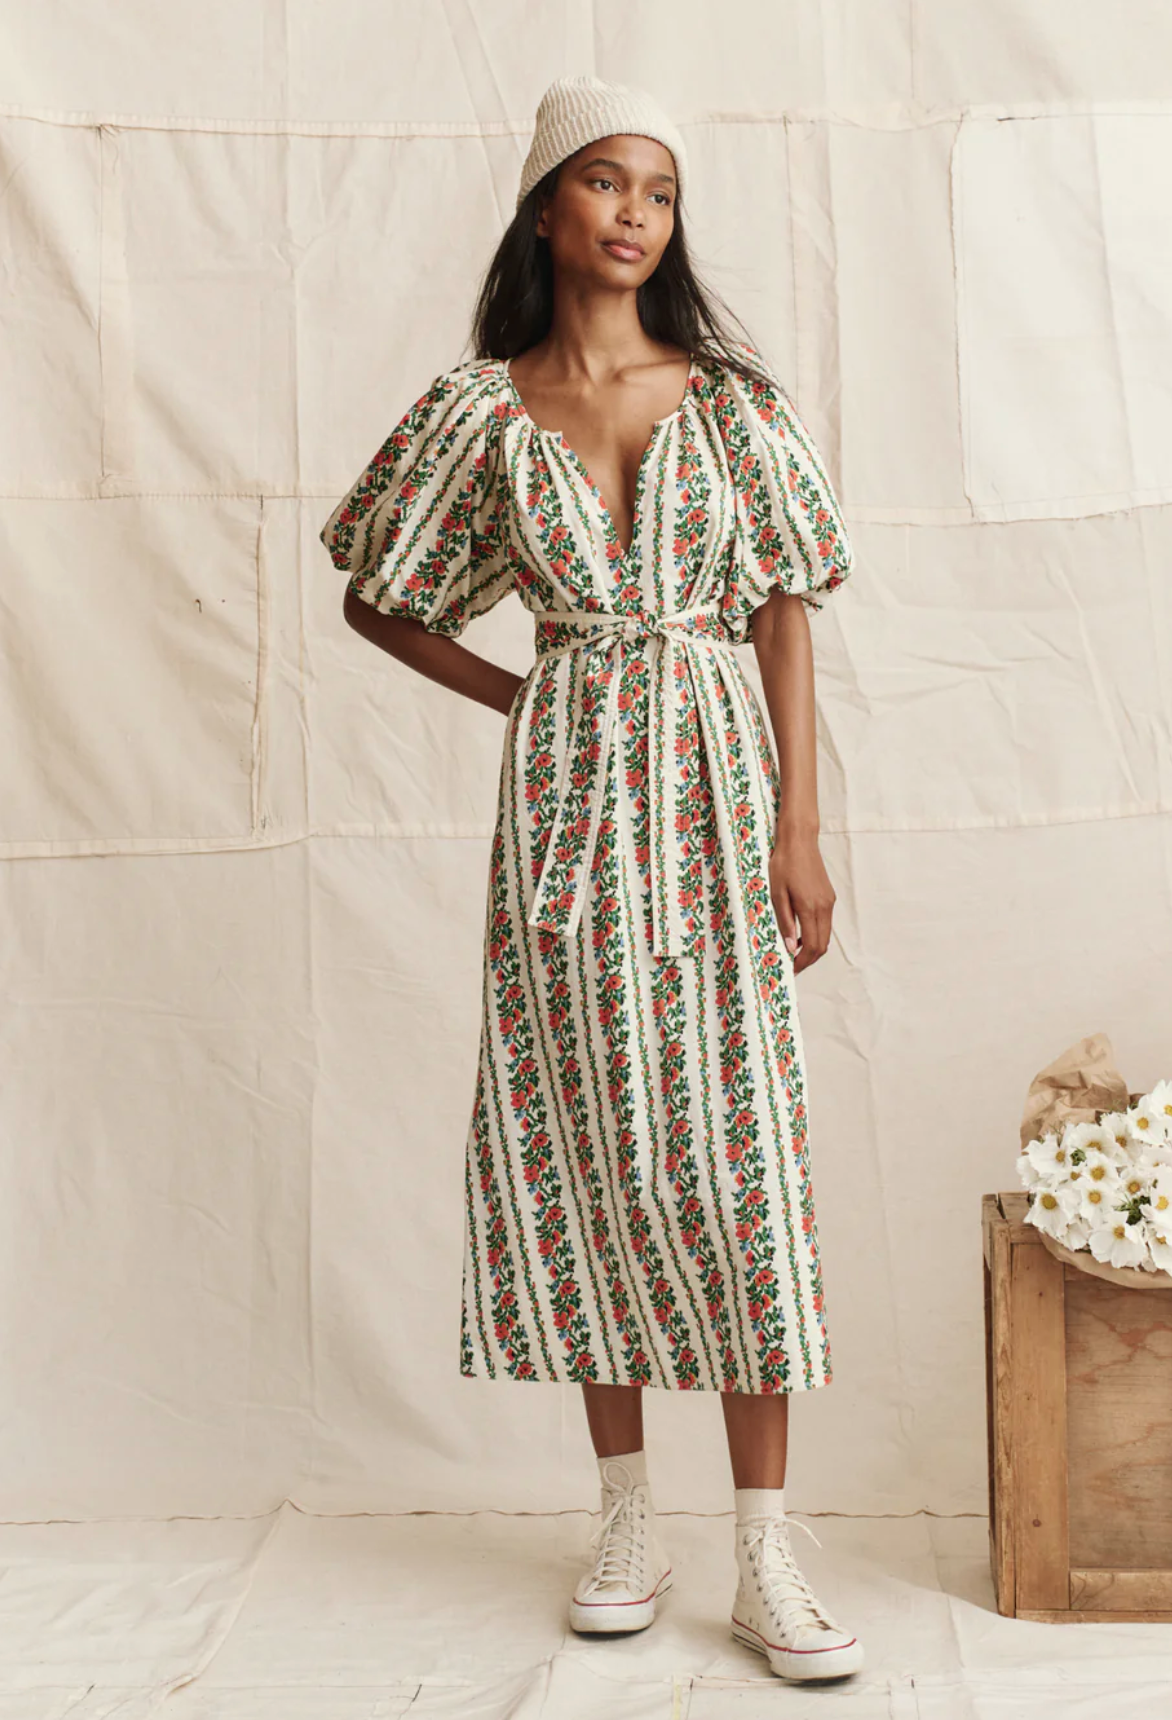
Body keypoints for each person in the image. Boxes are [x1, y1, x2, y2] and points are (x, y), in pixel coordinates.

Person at [319, 72, 861, 1683]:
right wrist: (527, 696)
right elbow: (378, 596)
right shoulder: (479, 412)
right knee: (586, 1143)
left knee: (734, 1151)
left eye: (662, 193)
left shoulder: (734, 402)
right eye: (607, 184)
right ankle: (626, 1514)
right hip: (564, 808)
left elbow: (784, 615)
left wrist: (800, 827)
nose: (635, 215)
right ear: (547, 205)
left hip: (715, 787)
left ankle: (765, 1550)